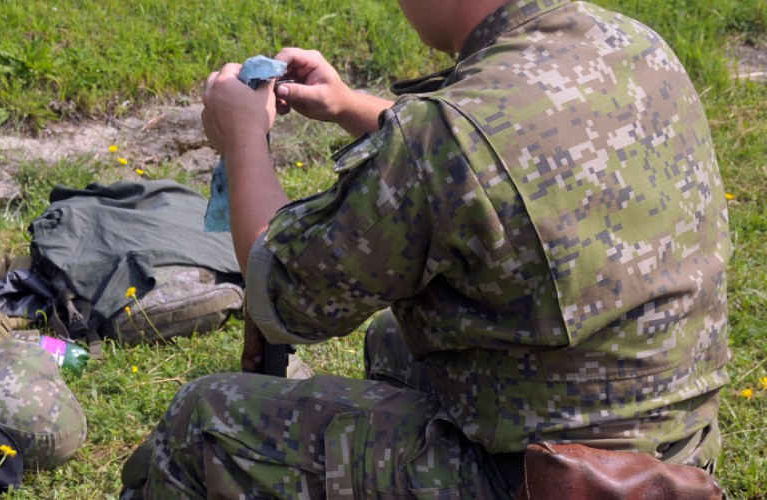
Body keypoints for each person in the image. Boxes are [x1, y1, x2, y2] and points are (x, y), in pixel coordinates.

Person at [122, 0, 731, 497]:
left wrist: (242, 140)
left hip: (539, 483)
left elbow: (282, 287)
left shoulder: (443, 137)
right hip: (669, 454)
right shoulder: (632, 43)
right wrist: (350, 106)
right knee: (393, 341)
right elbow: (513, 146)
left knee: (203, 422)